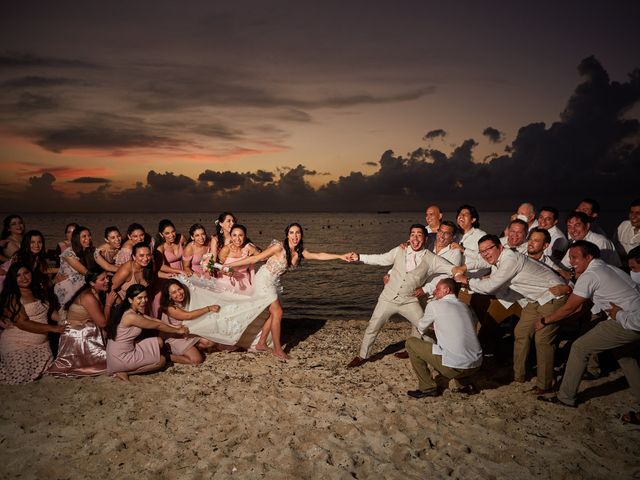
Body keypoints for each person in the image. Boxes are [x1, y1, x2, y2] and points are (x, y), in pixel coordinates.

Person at [183, 223, 350, 360]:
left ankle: (261, 343)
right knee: (278, 311)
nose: (294, 236)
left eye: (297, 233)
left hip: (274, 282)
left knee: (272, 314)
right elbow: (256, 258)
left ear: (301, 235)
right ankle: (278, 349)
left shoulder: (299, 253)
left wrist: (340, 256)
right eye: (291, 232)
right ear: (287, 235)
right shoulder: (278, 247)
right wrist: (227, 266)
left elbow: (319, 255)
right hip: (263, 280)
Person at [535, 241, 640, 420]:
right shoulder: (606, 268)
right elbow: (578, 308)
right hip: (630, 318)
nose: (571, 261)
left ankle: (566, 397)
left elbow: (570, 308)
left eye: (575, 258)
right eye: (570, 257)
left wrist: (545, 320)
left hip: (628, 321)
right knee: (625, 356)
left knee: (580, 348)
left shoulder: (591, 275)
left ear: (589, 257)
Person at [454, 234, 567, 393]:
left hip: (552, 296)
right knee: (520, 332)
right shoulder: (498, 258)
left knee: (542, 339)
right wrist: (465, 268)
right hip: (533, 299)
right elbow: (483, 264)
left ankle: (545, 384)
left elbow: (491, 286)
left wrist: (466, 280)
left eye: (489, 249)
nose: (486, 253)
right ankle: (518, 374)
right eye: (482, 251)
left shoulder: (510, 259)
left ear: (500, 247)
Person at [345, 224, 455, 368]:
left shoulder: (431, 259)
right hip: (387, 298)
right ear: (409, 238)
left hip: (409, 301)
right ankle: (362, 356)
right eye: (412, 234)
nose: (415, 238)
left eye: (419, 235)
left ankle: (442, 355)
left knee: (424, 328)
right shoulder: (399, 250)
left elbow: (452, 269)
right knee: (373, 327)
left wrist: (430, 287)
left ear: (426, 238)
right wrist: (359, 257)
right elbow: (381, 259)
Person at [405, 278, 482, 398]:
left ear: (447, 290)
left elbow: (421, 327)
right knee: (457, 344)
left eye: (438, 289)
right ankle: (466, 384)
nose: (434, 292)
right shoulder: (464, 306)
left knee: (411, 343)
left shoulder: (434, 305)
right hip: (476, 364)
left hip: (457, 367)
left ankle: (427, 387)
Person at [106, 284, 188, 381]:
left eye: (145, 297)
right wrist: (178, 331)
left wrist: (175, 326)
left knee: (159, 341)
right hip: (121, 356)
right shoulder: (131, 316)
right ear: (130, 299)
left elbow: (155, 321)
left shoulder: (132, 310)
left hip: (128, 348)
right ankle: (122, 371)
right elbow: (157, 326)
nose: (144, 301)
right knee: (162, 361)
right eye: (139, 298)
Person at [0, 263, 64, 384]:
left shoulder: (37, 290)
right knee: (20, 379)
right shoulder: (13, 296)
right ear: (13, 279)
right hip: (17, 345)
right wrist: (53, 328)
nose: (24, 278)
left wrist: (66, 320)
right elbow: (23, 323)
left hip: (42, 347)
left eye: (26, 273)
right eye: (18, 275)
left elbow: (48, 311)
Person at [48, 268, 116, 377]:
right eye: (103, 279)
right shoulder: (88, 296)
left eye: (107, 278)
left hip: (81, 328)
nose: (107, 281)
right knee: (109, 365)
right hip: (75, 333)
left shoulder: (96, 292)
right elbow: (103, 323)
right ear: (92, 283)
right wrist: (108, 304)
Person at [159, 279, 220, 364]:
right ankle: (167, 356)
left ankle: (192, 348)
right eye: (174, 292)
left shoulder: (185, 300)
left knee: (210, 342)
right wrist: (209, 308)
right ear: (169, 296)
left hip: (187, 332)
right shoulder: (170, 308)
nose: (179, 293)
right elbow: (189, 316)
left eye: (179, 289)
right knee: (197, 360)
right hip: (175, 337)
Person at [54, 226, 97, 308]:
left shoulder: (88, 251)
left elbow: (103, 264)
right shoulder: (69, 253)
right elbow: (85, 271)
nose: (88, 238)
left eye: (89, 235)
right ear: (77, 238)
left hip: (82, 286)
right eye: (84, 236)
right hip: (68, 288)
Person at [216, 224, 260, 294]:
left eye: (240, 235)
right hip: (226, 281)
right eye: (234, 235)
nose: (237, 239)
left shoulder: (249, 248)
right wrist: (225, 272)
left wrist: (256, 250)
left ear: (245, 237)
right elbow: (218, 268)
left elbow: (263, 258)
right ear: (230, 236)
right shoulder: (226, 250)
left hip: (245, 282)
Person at [451, 204, 486, 269]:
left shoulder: (481, 235)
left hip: (474, 275)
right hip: (455, 273)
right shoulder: (453, 234)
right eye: (460, 214)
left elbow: (486, 257)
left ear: (473, 220)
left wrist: (463, 250)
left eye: (465, 214)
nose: (461, 216)